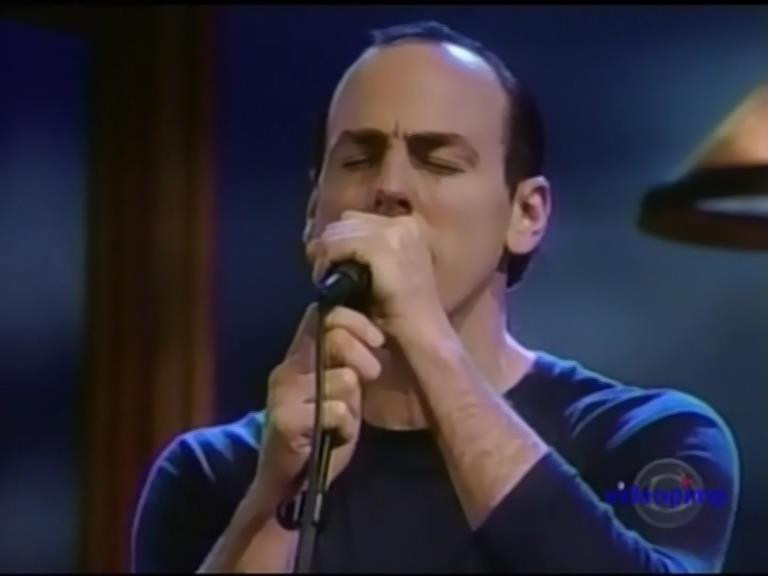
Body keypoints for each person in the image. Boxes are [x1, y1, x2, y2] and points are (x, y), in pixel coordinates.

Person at [132, 20, 739, 573]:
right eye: (359, 158)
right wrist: (273, 496)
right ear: (315, 210)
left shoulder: (647, 437)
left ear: (526, 214)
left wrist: (426, 337)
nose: (390, 187)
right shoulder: (212, 472)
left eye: (440, 162)